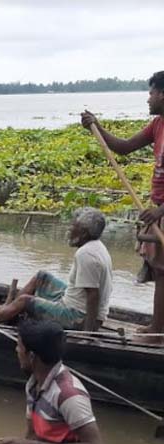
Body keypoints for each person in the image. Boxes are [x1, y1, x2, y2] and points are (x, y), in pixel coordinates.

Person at [81, 71, 164, 342]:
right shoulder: (157, 125)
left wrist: (161, 211)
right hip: (159, 206)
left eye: (151, 93)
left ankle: (158, 329)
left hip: (163, 209)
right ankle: (157, 326)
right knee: (160, 270)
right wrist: (97, 127)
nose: (148, 98)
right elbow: (125, 147)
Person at [0, 208, 112, 331]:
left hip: (78, 317)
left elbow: (93, 295)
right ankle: (6, 310)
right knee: (41, 276)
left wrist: (88, 332)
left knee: (24, 300)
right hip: (74, 302)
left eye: (74, 226)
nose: (70, 229)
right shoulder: (98, 246)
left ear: (84, 233)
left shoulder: (86, 254)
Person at [0, 320, 105, 444]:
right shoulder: (33, 384)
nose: (16, 350)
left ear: (31, 356)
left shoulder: (69, 395)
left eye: (19, 346)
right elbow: (33, 434)